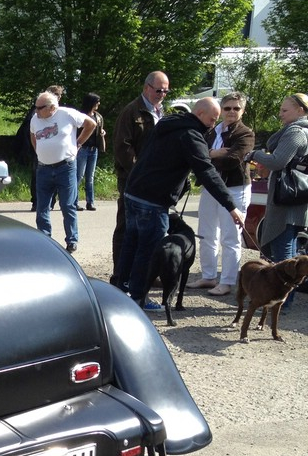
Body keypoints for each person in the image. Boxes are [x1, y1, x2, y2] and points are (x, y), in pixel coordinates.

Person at [117, 97, 245, 310]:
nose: (213, 124)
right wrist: (231, 206)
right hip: (153, 200)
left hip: (134, 191)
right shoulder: (191, 135)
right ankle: (137, 299)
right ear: (200, 114)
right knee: (147, 251)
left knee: (131, 244)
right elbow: (207, 171)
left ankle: (121, 291)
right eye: (212, 119)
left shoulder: (167, 124)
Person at [189, 92, 254, 296]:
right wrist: (214, 153)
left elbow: (233, 159)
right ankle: (208, 276)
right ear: (221, 109)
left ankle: (227, 281)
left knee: (230, 237)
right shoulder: (211, 130)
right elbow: (195, 154)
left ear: (243, 111)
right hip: (210, 187)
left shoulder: (245, 133)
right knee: (206, 234)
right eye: (227, 108)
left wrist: (208, 156)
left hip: (235, 188)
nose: (231, 112)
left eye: (236, 108)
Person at [111, 71, 170, 286]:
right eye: (158, 90)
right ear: (146, 88)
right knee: (127, 227)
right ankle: (120, 276)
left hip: (153, 181)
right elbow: (122, 147)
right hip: (132, 179)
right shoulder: (131, 111)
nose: (162, 95)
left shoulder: (160, 111)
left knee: (150, 230)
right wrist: (139, 172)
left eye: (166, 91)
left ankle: (144, 274)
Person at [30, 90, 96, 253]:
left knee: (67, 205)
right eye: (35, 107)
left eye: (40, 108)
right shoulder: (35, 119)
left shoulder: (67, 114)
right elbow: (33, 135)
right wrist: (40, 152)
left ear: (52, 108)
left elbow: (91, 124)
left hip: (65, 167)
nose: (36, 111)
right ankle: (45, 239)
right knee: (42, 206)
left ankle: (71, 240)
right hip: (43, 168)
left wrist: (78, 143)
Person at [247, 93, 308, 267]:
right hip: (297, 198)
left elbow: (277, 161)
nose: (280, 114)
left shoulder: (295, 132)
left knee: (283, 259)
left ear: (300, 110)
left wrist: (254, 154)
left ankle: (284, 286)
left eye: (284, 110)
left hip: (286, 204)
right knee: (291, 256)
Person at [15, 85, 65, 212]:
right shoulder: (37, 111)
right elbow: (30, 133)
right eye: (56, 95)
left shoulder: (60, 112)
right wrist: (36, 149)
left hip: (55, 152)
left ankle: (50, 202)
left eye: (59, 96)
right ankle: (37, 202)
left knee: (54, 176)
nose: (58, 98)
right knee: (38, 175)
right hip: (39, 150)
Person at [76, 92, 105, 211]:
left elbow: (100, 130)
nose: (99, 103)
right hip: (82, 149)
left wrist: (102, 133)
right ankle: (74, 202)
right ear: (91, 102)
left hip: (94, 149)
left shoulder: (98, 117)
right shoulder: (80, 116)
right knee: (79, 176)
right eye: (97, 101)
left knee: (90, 177)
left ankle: (90, 202)